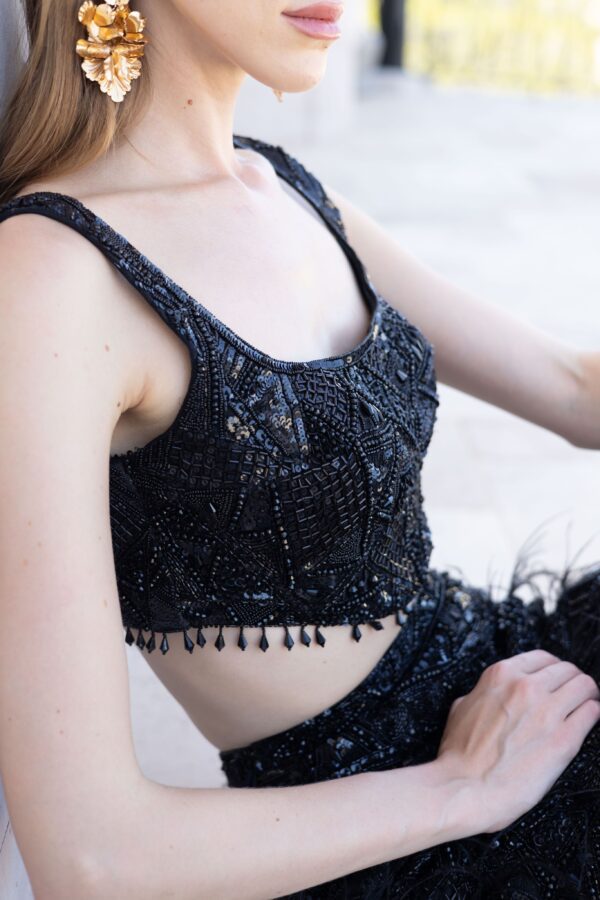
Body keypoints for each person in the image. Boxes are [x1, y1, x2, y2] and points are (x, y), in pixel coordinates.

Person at [0, 1, 599, 898]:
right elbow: (91, 859)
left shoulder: (283, 191)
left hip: (512, 680)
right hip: (420, 833)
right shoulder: (50, 274)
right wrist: (464, 787)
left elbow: (572, 388)